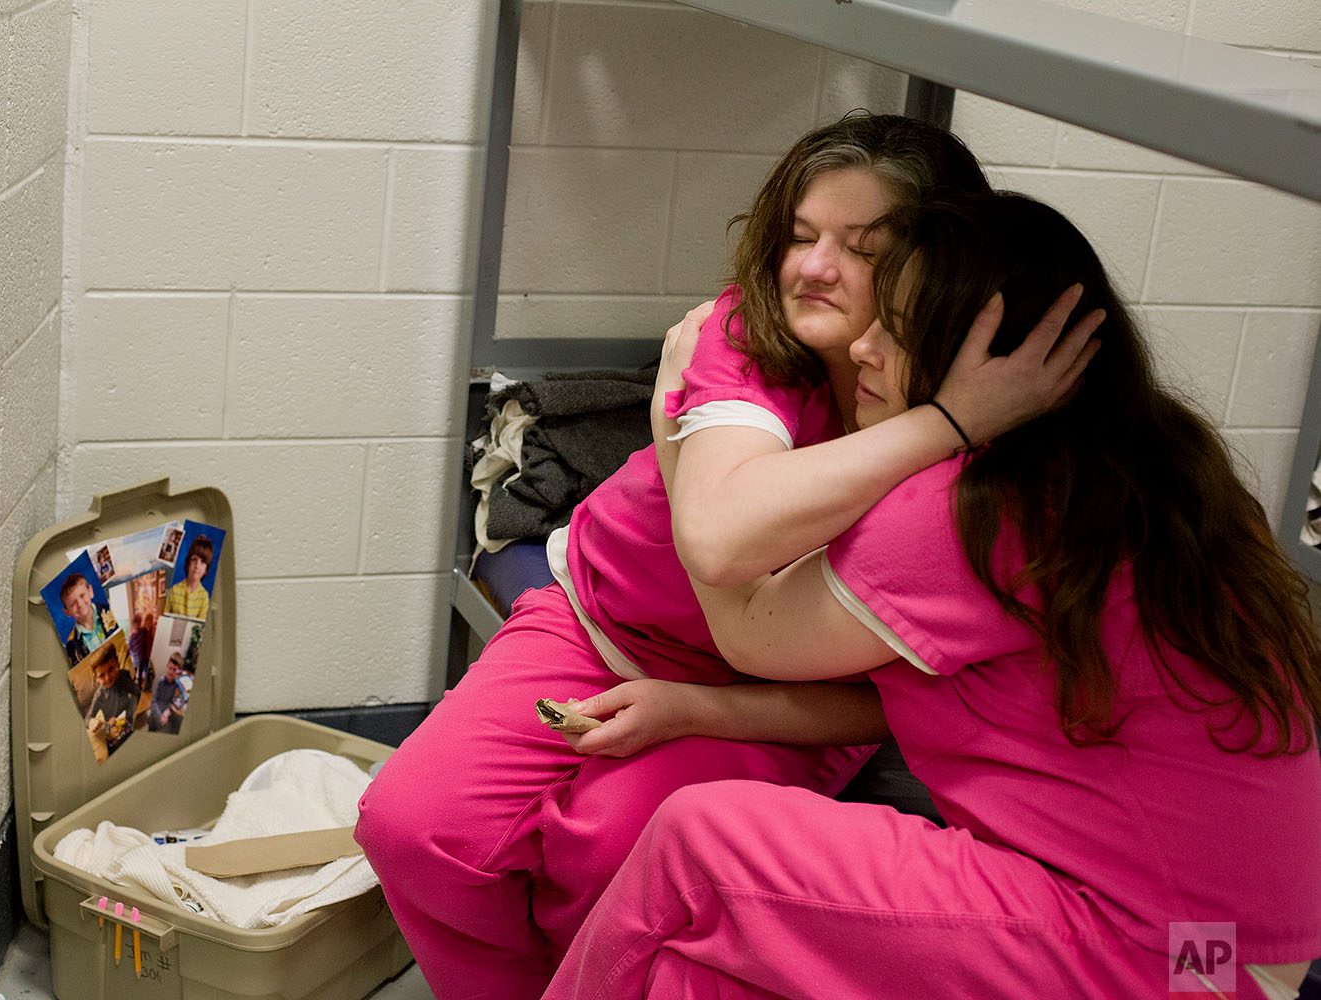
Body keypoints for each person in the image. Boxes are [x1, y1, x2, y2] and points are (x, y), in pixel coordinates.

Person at [355, 113, 1100, 1000]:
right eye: (798, 236)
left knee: (608, 855)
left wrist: (945, 423)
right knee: (413, 825)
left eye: (866, 248)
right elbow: (723, 538)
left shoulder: (970, 455)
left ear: (941, 262)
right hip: (599, 620)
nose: (814, 268)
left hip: (773, 692)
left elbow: (889, 693)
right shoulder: (749, 335)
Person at [543, 190, 1321, 1000]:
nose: (865, 347)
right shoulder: (1150, 461)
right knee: (688, 972)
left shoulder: (981, 509)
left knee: (699, 839)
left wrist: (677, 445)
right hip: (1235, 948)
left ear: (988, 364)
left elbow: (742, 615)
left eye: (901, 331)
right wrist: (696, 709)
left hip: (1173, 959)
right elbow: (933, 696)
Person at [84, 644, 142, 754]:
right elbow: (87, 719)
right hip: (116, 735)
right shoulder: (99, 695)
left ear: (117, 663)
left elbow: (137, 692)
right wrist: (91, 722)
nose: (108, 677)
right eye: (102, 675)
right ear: (95, 678)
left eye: (111, 669)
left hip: (133, 722)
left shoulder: (123, 676)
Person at [60, 572, 113, 663]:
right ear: (67, 612)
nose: (80, 604)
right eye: (73, 604)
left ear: (90, 592)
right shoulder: (71, 644)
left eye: (82, 595)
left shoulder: (110, 609)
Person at [166, 535, 212, 619]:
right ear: (188, 564)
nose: (197, 565)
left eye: (202, 562)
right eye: (194, 559)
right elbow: (165, 618)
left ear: (206, 570)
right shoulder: (174, 590)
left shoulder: (204, 597)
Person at [147, 652, 189, 734]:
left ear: (178, 671)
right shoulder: (161, 682)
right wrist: (161, 715)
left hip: (165, 711)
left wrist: (167, 711)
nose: (171, 672)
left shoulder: (176, 684)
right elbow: (153, 702)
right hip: (156, 711)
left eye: (174, 670)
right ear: (167, 666)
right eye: (170, 668)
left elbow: (171, 701)